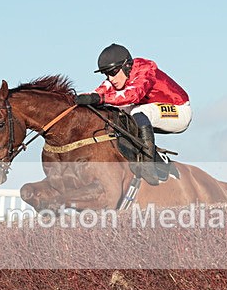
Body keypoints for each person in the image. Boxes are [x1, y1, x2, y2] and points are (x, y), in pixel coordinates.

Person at [75, 43, 192, 185]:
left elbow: (133, 95)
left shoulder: (146, 69)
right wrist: (78, 100)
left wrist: (100, 99)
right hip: (152, 109)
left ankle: (148, 164)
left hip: (179, 110)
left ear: (126, 66)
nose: (111, 79)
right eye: (107, 74)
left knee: (138, 111)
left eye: (112, 72)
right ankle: (155, 157)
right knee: (115, 112)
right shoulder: (116, 78)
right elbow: (99, 92)